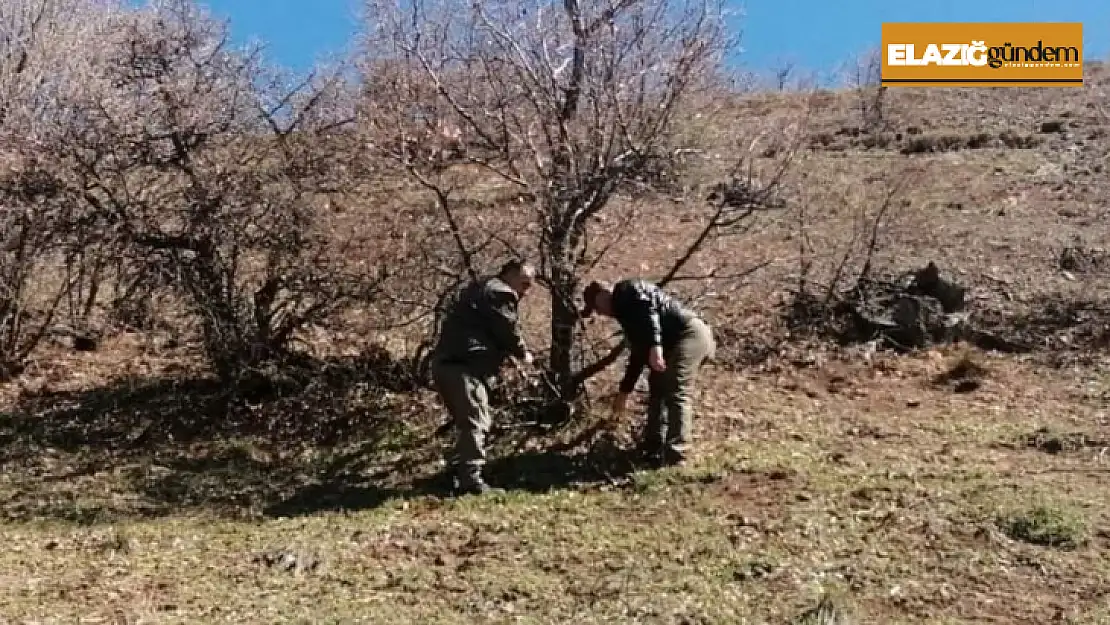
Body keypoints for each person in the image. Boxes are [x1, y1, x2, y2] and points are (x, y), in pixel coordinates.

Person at [580, 278, 715, 467]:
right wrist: (624, 392)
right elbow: (637, 357)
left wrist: (656, 346)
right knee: (657, 389)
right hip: (671, 343)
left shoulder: (627, 291)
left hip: (689, 334)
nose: (600, 313)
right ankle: (652, 448)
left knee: (676, 389)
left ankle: (678, 455)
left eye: (596, 307)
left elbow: (649, 311)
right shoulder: (627, 315)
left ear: (602, 295)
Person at [431, 259, 536, 494]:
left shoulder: (479, 288)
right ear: (508, 275)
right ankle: (471, 482)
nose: (525, 291)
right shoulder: (501, 292)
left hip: (446, 364)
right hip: (462, 367)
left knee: (467, 421)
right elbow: (508, 329)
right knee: (476, 420)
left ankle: (457, 474)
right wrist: (523, 353)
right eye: (524, 283)